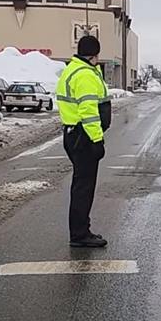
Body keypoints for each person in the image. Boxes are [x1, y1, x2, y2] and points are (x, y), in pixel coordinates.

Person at [56, 35, 111, 247]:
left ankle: (80, 230)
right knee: (84, 187)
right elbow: (88, 111)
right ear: (94, 55)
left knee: (81, 184)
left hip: (73, 134)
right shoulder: (85, 75)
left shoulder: (72, 69)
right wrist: (97, 140)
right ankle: (80, 234)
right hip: (83, 137)